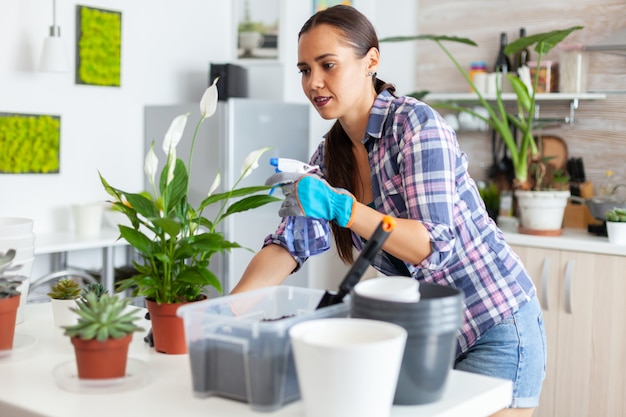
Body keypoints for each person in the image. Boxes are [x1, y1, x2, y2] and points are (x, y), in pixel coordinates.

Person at [231, 5, 545, 416]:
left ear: (371, 61)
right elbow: (287, 245)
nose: (314, 83)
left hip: (495, 323)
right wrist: (221, 318)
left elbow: (430, 246)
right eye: (305, 70)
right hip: (424, 337)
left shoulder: (416, 125)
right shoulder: (325, 156)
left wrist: (344, 208)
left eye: (328, 65)